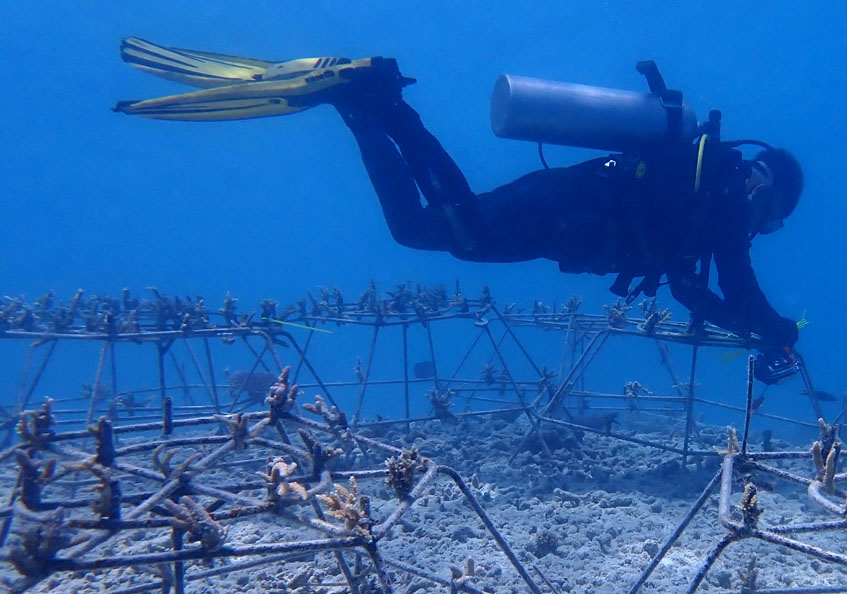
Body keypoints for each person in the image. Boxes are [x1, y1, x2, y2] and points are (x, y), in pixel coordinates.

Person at [115, 39, 805, 382]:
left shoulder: (706, 192)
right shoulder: (716, 188)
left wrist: (754, 334)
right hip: (568, 207)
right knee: (464, 230)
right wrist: (777, 332)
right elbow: (735, 282)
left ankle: (357, 106)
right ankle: (385, 98)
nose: (757, 219)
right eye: (768, 209)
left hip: (568, 214)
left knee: (417, 231)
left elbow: (692, 289)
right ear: (766, 190)